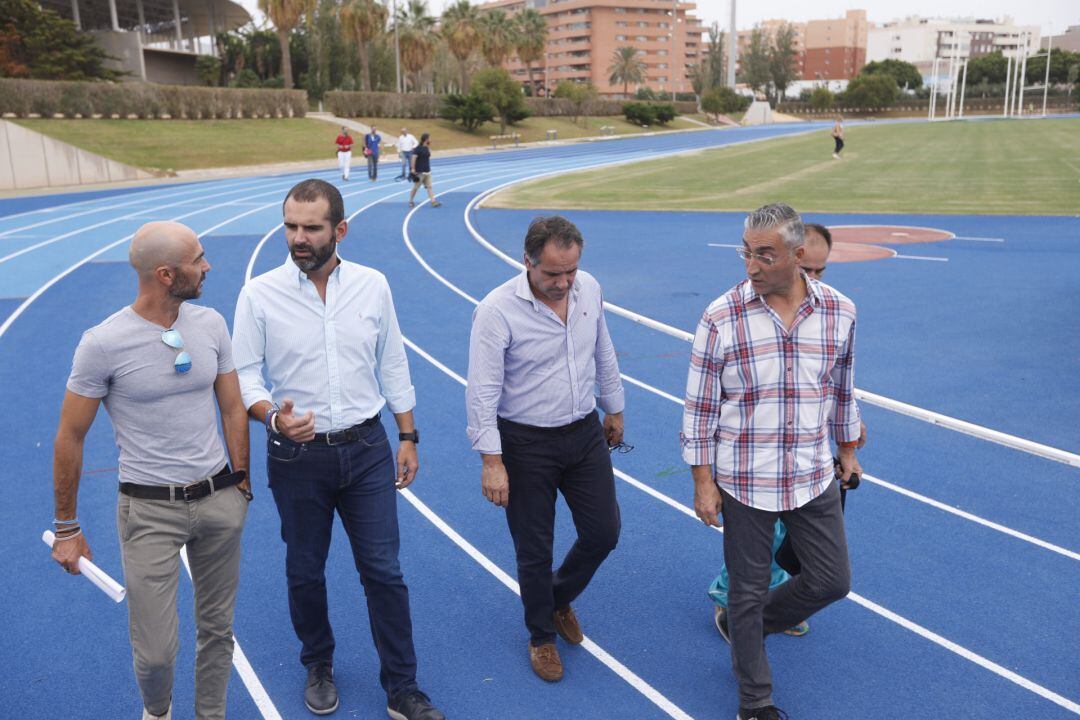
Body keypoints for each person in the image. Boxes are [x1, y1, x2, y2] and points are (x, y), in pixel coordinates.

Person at [231, 179, 444, 720]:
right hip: (297, 458)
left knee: (383, 571)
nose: (298, 238)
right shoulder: (259, 294)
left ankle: (402, 687)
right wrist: (273, 417)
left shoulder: (373, 286)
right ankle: (318, 663)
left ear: (340, 229)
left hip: (368, 447)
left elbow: (393, 361)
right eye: (290, 226)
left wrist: (408, 434)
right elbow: (243, 376)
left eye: (311, 228)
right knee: (305, 569)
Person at [51, 221, 251, 720]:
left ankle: (211, 714)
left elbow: (232, 407)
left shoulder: (210, 324)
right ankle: (157, 711)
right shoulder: (102, 343)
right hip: (148, 511)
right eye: (198, 259)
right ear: (165, 274)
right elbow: (69, 436)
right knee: (157, 652)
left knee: (217, 629)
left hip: (217, 502)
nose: (208, 267)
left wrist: (240, 482)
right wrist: (67, 528)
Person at [682, 203, 862, 720]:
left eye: (765, 254)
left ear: (799, 255)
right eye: (747, 252)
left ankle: (747, 628)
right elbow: (699, 407)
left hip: (811, 473)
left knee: (832, 580)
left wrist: (847, 449)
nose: (751, 265)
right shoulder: (721, 315)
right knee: (745, 589)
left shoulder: (839, 311)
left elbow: (843, 388)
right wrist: (702, 481)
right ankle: (754, 702)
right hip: (744, 477)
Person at [466, 215, 625, 683]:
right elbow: (482, 392)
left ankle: (555, 599)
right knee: (534, 548)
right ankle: (541, 636)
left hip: (582, 432)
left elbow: (603, 348)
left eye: (570, 272)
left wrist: (613, 408)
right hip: (524, 443)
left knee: (604, 533)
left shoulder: (589, 289)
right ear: (527, 262)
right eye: (552, 273)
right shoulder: (496, 311)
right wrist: (491, 462)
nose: (563, 283)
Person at [706, 222, 866, 641]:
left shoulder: (830, 312)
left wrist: (848, 434)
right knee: (761, 540)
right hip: (754, 455)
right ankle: (734, 602)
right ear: (793, 258)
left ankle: (761, 609)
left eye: (821, 271)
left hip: (804, 455)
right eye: (807, 269)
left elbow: (827, 379)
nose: (812, 279)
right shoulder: (734, 315)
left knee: (805, 553)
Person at [408, 133, 440, 208]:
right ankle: (411, 201)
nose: (430, 140)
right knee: (416, 188)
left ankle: (433, 201)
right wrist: (412, 169)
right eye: (429, 138)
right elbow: (413, 159)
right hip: (420, 172)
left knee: (429, 187)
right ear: (426, 139)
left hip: (427, 171)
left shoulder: (426, 148)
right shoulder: (418, 149)